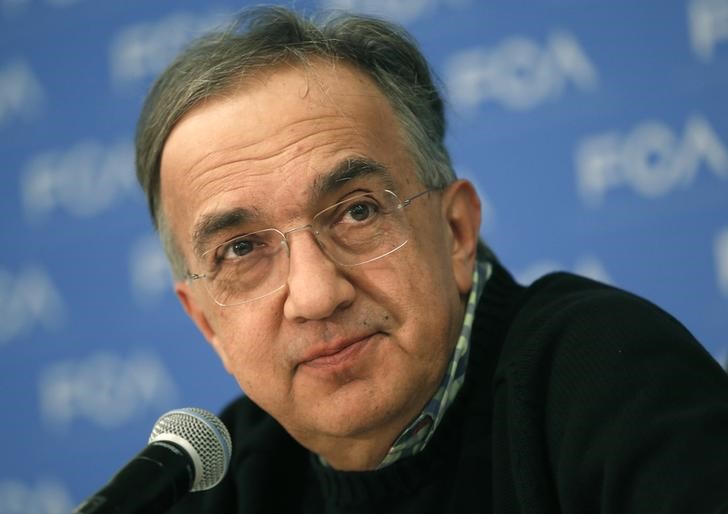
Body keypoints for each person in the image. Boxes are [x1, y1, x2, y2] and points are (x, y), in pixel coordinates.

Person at [134, 6, 728, 513]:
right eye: (241, 250)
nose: (316, 295)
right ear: (206, 321)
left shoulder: (606, 373)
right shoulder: (219, 483)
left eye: (357, 212)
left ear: (456, 233)